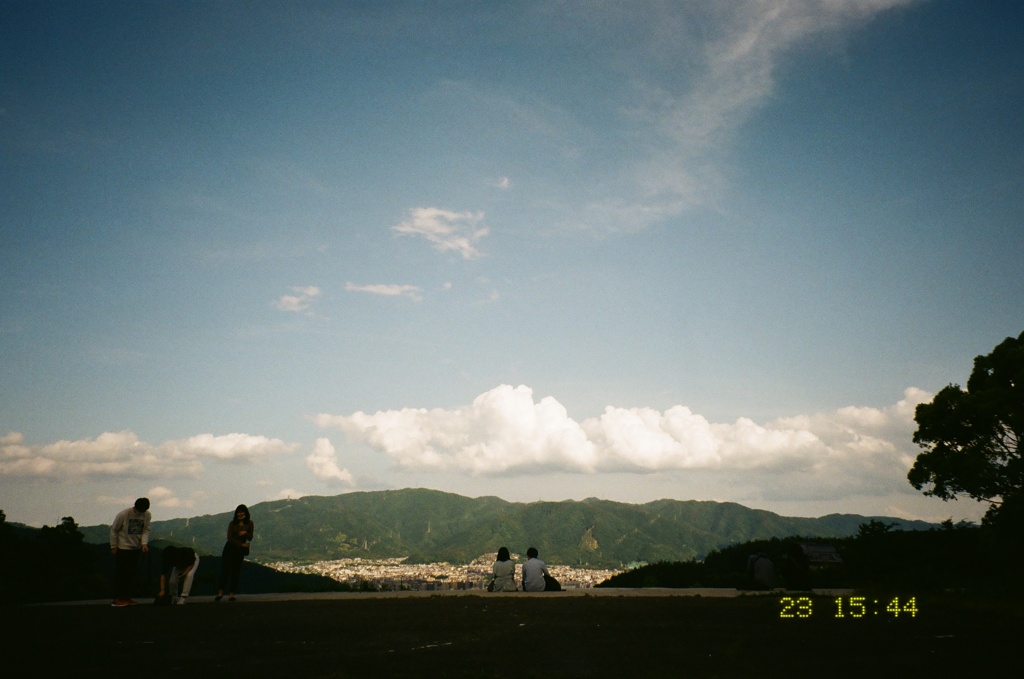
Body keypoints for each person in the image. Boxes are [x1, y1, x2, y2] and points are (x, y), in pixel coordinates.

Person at [109, 497, 151, 607]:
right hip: (122, 548)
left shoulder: (147, 515)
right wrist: (113, 546)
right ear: (135, 507)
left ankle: (126, 597)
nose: (140, 513)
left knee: (131, 574)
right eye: (139, 511)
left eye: (143, 511)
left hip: (136, 548)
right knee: (122, 574)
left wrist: (144, 543)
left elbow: (146, 529)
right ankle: (117, 598)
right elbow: (114, 530)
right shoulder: (124, 514)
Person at [216, 504, 253, 601]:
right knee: (225, 570)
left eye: (241, 512)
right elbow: (230, 538)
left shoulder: (250, 523)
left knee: (236, 571)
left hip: (240, 551)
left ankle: (231, 594)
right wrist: (241, 544)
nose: (240, 514)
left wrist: (245, 532)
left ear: (245, 512)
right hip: (230, 548)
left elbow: (250, 537)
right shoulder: (232, 523)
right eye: (238, 512)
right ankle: (220, 593)